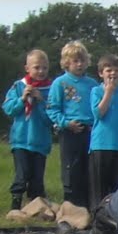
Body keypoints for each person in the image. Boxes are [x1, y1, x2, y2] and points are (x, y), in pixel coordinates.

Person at [46, 40, 96, 207]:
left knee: (89, 169)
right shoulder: (60, 83)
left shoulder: (93, 85)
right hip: (70, 130)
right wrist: (66, 123)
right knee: (71, 169)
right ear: (67, 63)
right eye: (75, 61)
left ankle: (90, 206)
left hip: (91, 130)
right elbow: (52, 108)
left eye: (82, 60)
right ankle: (71, 205)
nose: (79, 64)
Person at [2, 49, 53, 211]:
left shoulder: (50, 89)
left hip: (40, 141)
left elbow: (50, 118)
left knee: (37, 178)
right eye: (37, 67)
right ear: (27, 68)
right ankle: (15, 205)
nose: (41, 71)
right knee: (21, 175)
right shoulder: (18, 86)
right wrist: (22, 99)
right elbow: (8, 109)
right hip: (21, 140)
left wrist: (40, 101)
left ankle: (36, 207)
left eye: (44, 68)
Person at [87, 54, 118, 207]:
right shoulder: (96, 91)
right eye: (109, 70)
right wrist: (109, 92)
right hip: (101, 145)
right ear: (101, 73)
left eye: (116, 70)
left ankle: (116, 218)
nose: (113, 73)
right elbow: (98, 113)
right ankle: (98, 217)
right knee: (99, 187)